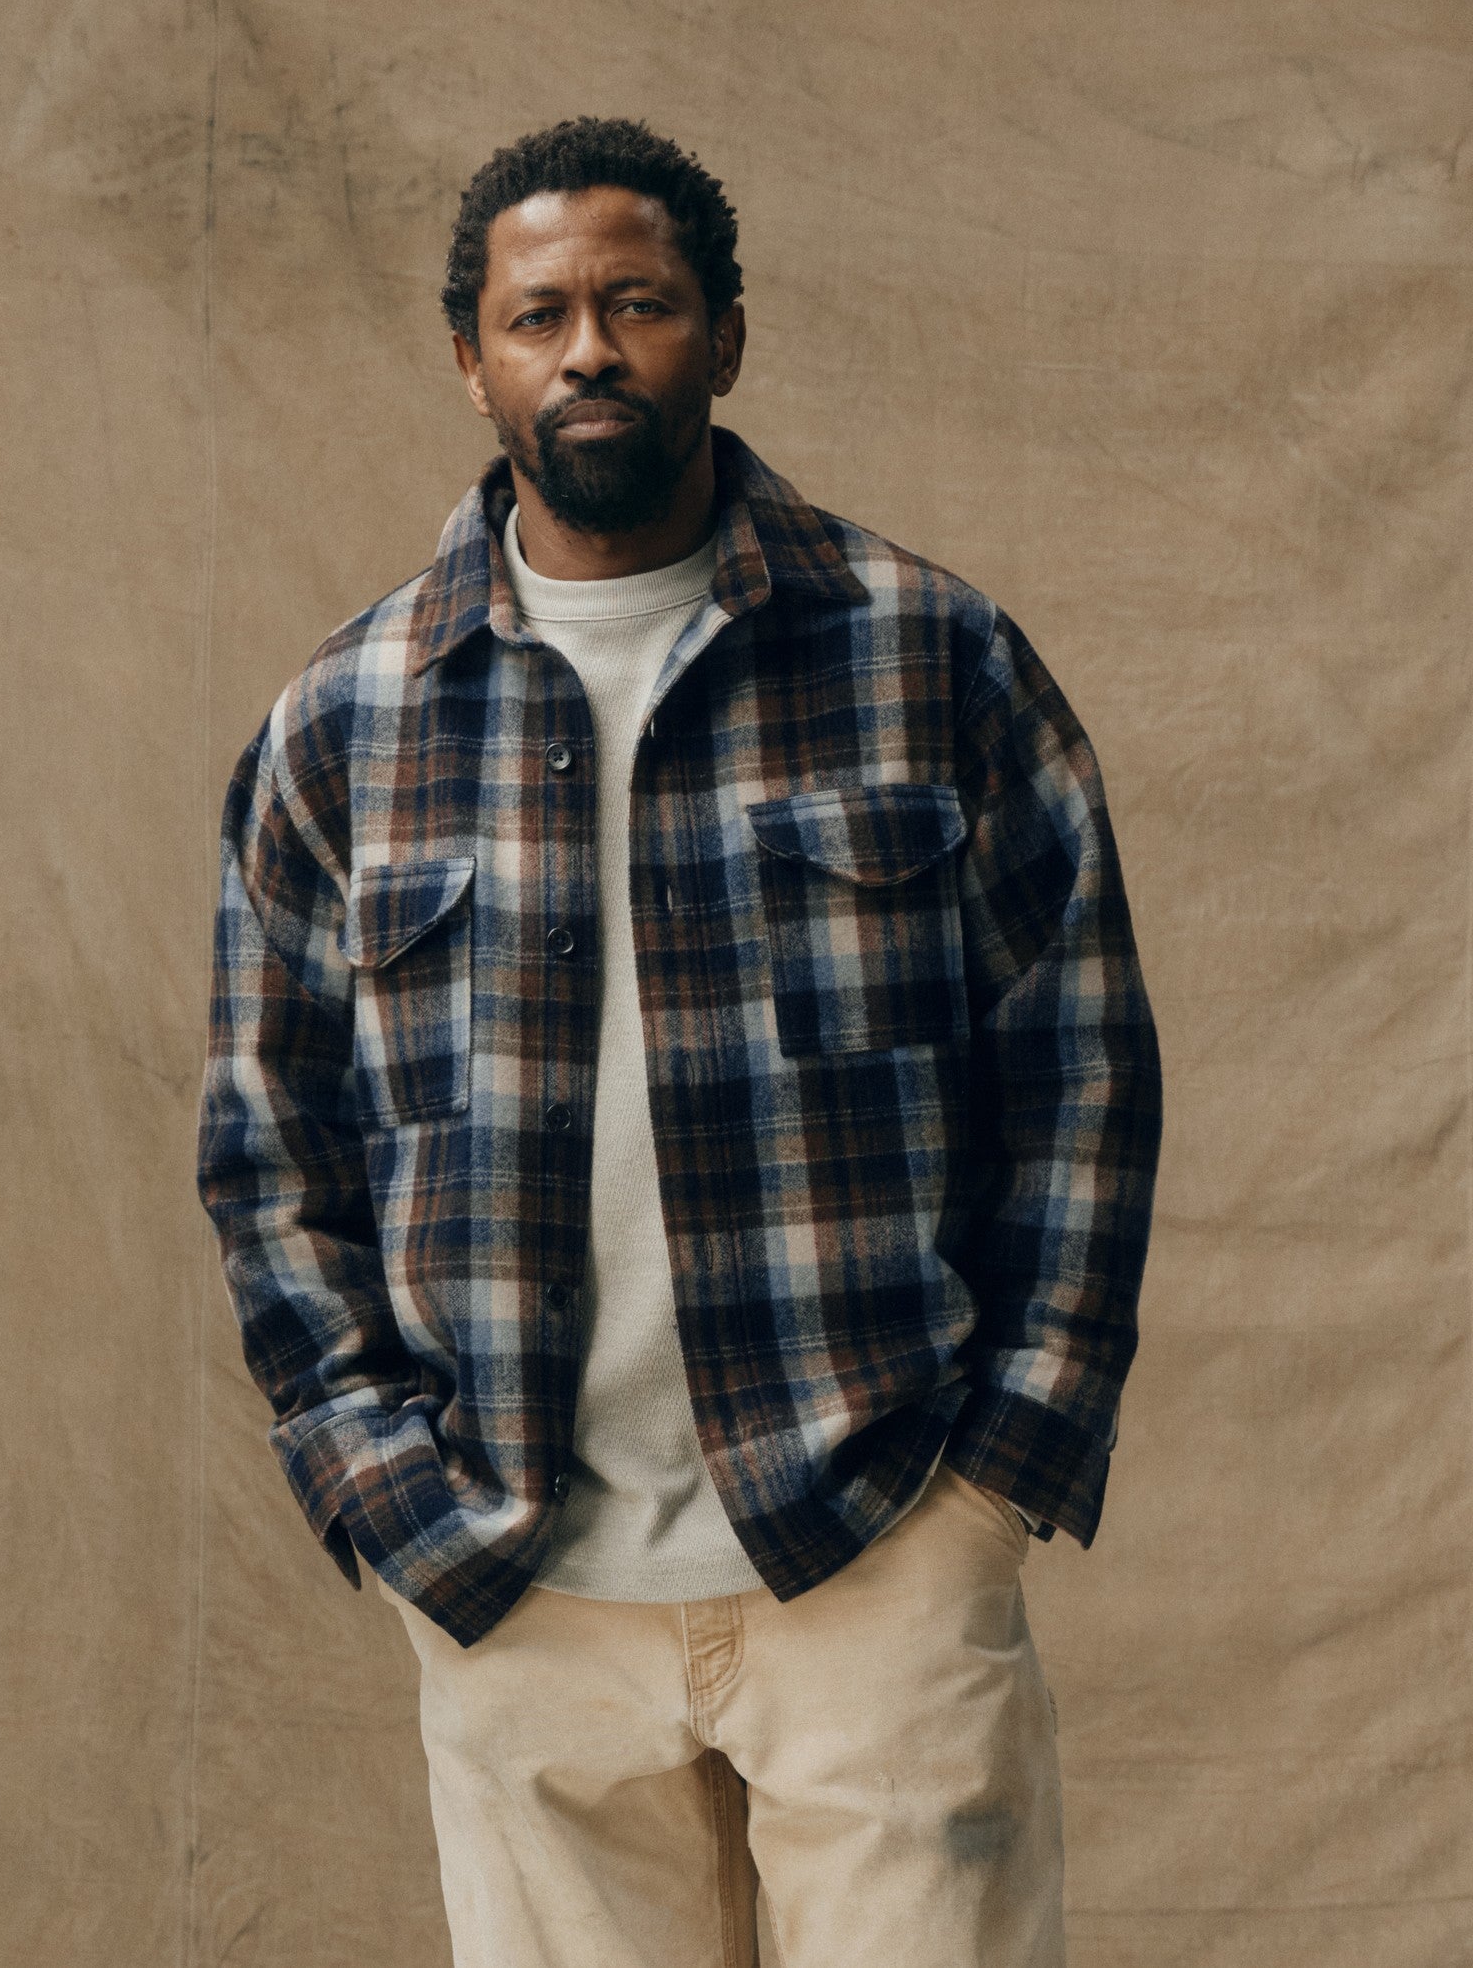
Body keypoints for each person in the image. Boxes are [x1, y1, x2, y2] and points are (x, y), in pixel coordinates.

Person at [197, 115, 1161, 1968]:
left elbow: (1084, 1075)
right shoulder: (345, 725)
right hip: (517, 1581)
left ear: (724, 334)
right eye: (538, 314)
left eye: (637, 304)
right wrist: (377, 1482)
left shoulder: (931, 658)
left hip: (878, 1539)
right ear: (469, 356)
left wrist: (992, 1487)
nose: (589, 350)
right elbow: (269, 1150)